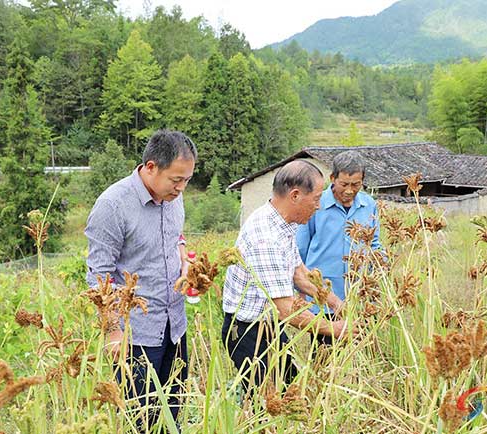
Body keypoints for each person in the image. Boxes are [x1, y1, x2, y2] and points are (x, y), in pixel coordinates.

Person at [85, 130, 197, 430]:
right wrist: (113, 334)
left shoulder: (174, 197)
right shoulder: (112, 205)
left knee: (172, 415)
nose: (182, 187)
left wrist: (185, 262)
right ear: (150, 167)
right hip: (136, 337)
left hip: (175, 326)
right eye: (176, 180)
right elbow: (99, 276)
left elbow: (176, 236)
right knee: (140, 421)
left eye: (187, 180)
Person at [222, 160, 353, 393]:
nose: (319, 207)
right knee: (268, 404)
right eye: (315, 199)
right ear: (295, 195)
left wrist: (336, 304)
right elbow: (286, 309)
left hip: (270, 326)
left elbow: (299, 273)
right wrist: (334, 329)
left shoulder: (283, 224)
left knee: (290, 391)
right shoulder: (266, 238)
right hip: (248, 333)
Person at [296, 150, 384, 346]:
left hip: (358, 298)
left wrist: (382, 268)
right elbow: (300, 249)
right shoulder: (315, 204)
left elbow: (374, 244)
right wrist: (299, 288)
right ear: (332, 178)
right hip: (324, 300)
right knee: (325, 360)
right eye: (344, 184)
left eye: (356, 185)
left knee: (359, 358)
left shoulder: (368, 205)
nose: (350, 190)